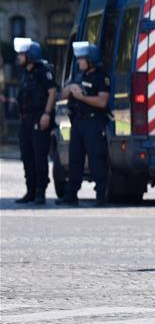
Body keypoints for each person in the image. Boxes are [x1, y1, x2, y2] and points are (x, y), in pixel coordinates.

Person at [56, 42, 110, 206]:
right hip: (78, 121)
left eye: (81, 58)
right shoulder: (79, 75)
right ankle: (71, 195)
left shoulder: (101, 77)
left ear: (90, 60)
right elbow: (62, 96)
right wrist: (70, 88)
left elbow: (102, 101)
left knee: (96, 159)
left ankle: (101, 195)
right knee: (75, 159)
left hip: (94, 122)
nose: (78, 61)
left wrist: (82, 97)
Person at [13, 38, 57, 205]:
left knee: (39, 157)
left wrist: (46, 114)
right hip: (25, 120)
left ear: (30, 56)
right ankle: (30, 190)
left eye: (21, 55)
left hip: (39, 118)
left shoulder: (43, 72)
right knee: (27, 156)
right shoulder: (25, 73)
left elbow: (52, 92)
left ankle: (40, 192)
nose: (19, 57)